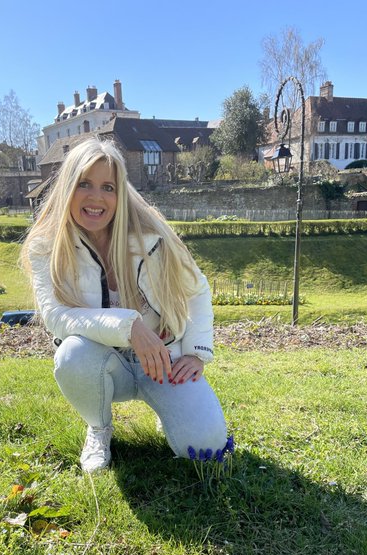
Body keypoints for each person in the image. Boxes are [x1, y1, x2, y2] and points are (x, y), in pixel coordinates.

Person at [21, 137, 229, 473]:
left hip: (165, 358)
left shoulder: (152, 234)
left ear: (120, 194)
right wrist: (129, 327)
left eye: (108, 187)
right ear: (67, 187)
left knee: (206, 447)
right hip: (102, 363)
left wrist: (196, 351)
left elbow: (197, 288)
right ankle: (99, 428)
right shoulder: (46, 245)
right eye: (84, 184)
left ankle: (170, 410)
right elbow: (56, 317)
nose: (96, 198)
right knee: (71, 355)